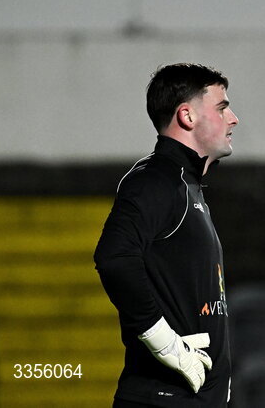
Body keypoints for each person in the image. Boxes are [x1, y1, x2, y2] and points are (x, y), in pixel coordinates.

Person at [95, 63, 239, 407]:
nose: (233, 118)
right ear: (187, 116)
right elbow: (113, 258)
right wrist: (167, 346)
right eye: (221, 107)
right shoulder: (156, 180)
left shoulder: (187, 185)